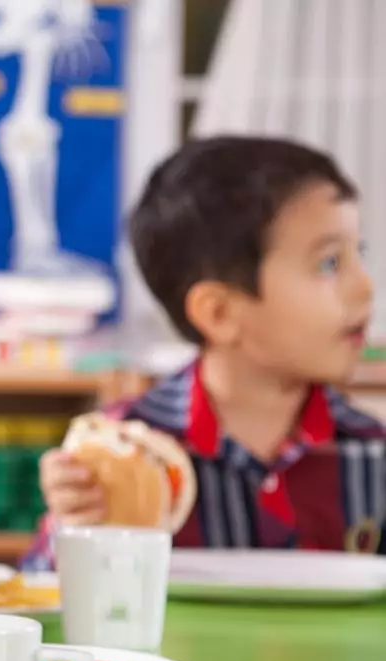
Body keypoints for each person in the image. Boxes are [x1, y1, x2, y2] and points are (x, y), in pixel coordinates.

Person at [26, 135, 385, 568]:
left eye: (357, 254)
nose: (365, 286)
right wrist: (72, 523)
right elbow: (45, 601)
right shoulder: (126, 451)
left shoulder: (371, 450)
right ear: (218, 313)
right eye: (329, 263)